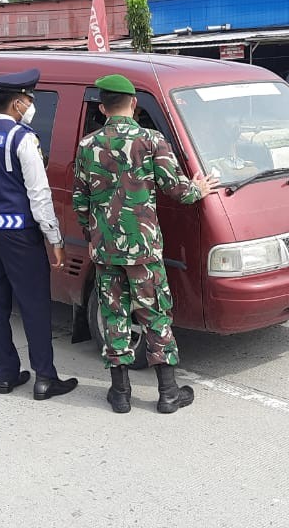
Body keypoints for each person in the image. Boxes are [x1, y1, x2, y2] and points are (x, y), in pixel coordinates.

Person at [72, 74, 219, 415]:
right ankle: (167, 393)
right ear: (134, 104)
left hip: (106, 249)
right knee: (154, 314)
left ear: (101, 107)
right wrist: (199, 189)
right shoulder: (151, 140)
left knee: (114, 315)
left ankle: (120, 393)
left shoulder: (87, 145)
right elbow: (177, 190)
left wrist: (93, 236)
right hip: (143, 248)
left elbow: (80, 200)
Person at [0, 68, 78, 401]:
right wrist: (54, 239)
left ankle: (6, 375)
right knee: (34, 303)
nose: (30, 105)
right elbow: (39, 194)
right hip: (18, 233)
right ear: (16, 103)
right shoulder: (22, 138)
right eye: (29, 100)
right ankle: (45, 378)